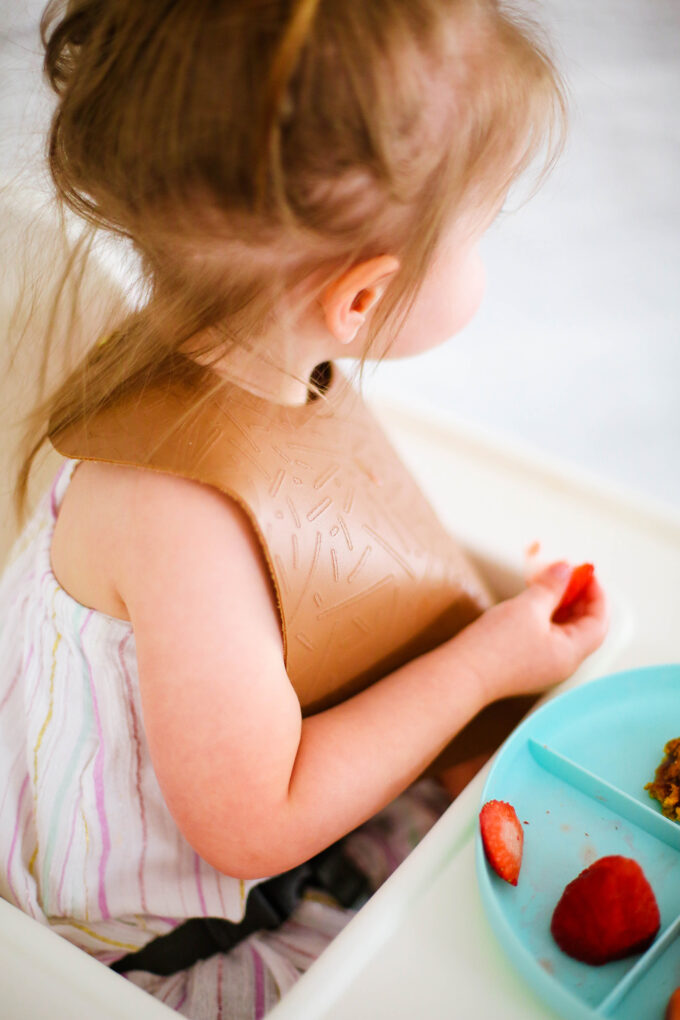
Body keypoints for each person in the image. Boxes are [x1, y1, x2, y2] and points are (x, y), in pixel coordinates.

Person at [0, 0, 608, 1016]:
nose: (483, 263)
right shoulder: (184, 515)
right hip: (143, 946)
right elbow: (256, 821)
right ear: (361, 299)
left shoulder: (221, 354)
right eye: (478, 234)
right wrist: (484, 664)